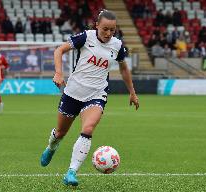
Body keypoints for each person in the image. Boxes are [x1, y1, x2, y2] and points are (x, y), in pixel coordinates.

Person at [40, 10, 139, 186]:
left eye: (112, 30)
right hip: (73, 92)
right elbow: (59, 50)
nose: (108, 34)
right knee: (61, 132)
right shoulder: (86, 37)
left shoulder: (117, 46)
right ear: (97, 26)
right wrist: (58, 72)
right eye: (105, 29)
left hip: (96, 94)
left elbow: (124, 69)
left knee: (88, 129)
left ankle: (71, 172)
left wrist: (132, 92)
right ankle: (51, 147)